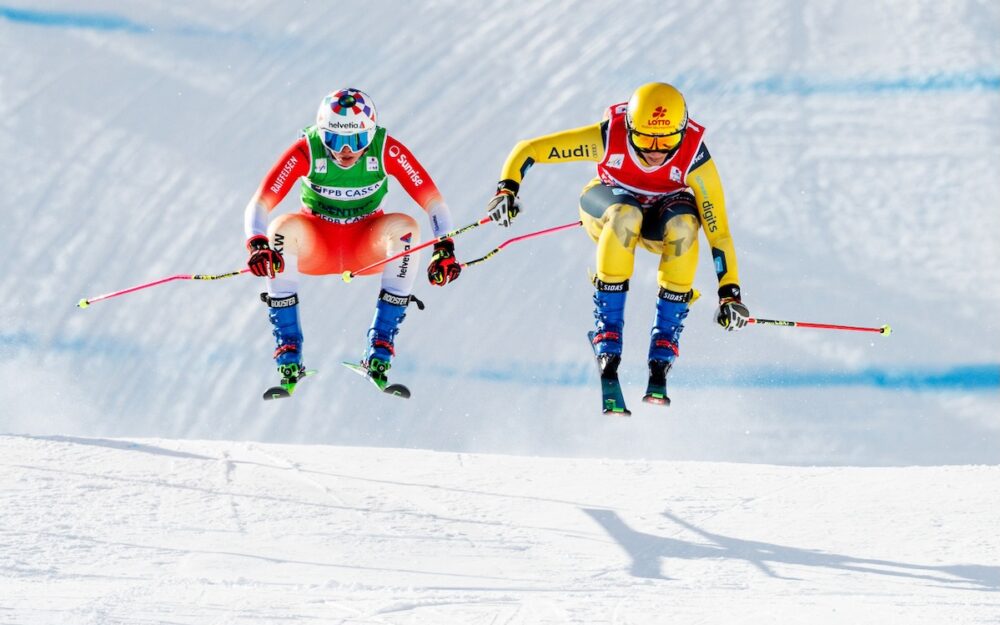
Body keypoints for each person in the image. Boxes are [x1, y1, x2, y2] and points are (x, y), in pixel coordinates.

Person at [484, 82, 749, 405]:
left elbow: (718, 232)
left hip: (660, 220)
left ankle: (664, 345)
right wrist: (507, 190)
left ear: (682, 130)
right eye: (645, 138)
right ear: (630, 128)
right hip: (608, 208)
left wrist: (729, 293)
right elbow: (529, 149)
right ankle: (607, 333)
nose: (655, 150)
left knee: (685, 226)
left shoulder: (695, 157)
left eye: (667, 140)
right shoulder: (610, 137)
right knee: (626, 215)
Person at [244, 88, 462, 392]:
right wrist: (257, 244)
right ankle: (289, 352)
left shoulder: (386, 149)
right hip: (316, 244)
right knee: (280, 229)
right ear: (322, 134)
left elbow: (434, 202)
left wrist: (445, 247)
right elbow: (260, 204)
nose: (346, 151)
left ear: (370, 134)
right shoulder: (307, 149)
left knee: (407, 229)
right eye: (334, 140)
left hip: (366, 244)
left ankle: (380, 349)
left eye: (358, 140)